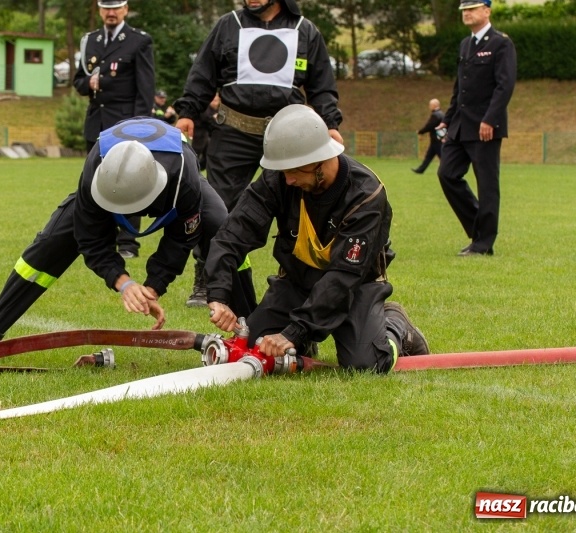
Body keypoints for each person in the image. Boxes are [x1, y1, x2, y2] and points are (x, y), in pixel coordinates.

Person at [0, 117, 256, 352]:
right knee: (47, 246)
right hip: (110, 179)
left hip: (178, 177)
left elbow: (180, 239)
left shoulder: (183, 179)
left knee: (224, 232)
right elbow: (91, 241)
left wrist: (153, 287)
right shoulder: (94, 172)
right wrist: (124, 283)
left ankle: (253, 329)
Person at [205, 104, 429, 373]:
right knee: (255, 347)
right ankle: (303, 343)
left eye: (295, 171)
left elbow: (344, 277)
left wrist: (294, 332)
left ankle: (397, 326)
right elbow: (233, 233)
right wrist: (218, 293)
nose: (287, 180)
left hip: (355, 287)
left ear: (321, 160)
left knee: (365, 364)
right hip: (297, 282)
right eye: (283, 171)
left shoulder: (366, 195)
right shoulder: (279, 178)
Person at [173, 0, 343, 307]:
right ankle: (207, 280)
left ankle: (292, 283)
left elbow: (322, 85)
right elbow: (203, 73)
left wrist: (331, 123)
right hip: (232, 132)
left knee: (291, 207)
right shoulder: (228, 25)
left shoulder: (305, 30)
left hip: (286, 136)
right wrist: (187, 112)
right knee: (216, 208)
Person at [73, 0, 155, 260]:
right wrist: (89, 82)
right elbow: (78, 81)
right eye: (106, 8)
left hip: (125, 123)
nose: (111, 13)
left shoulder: (138, 41)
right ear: (99, 10)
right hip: (97, 121)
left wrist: (140, 126)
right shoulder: (91, 41)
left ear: (125, 9)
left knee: (128, 180)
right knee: (95, 181)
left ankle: (128, 241)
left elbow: (146, 89)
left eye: (116, 7)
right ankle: (100, 238)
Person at [436, 0, 516, 256]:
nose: (467, 14)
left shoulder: (501, 43)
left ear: (487, 11)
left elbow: (505, 85)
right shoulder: (466, 44)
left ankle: (483, 244)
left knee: (487, 185)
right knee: (446, 173)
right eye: (464, 10)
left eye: (472, 9)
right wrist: (447, 120)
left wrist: (490, 119)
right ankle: (477, 228)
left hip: (485, 127)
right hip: (460, 125)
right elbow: (459, 88)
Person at [411, 98, 444, 174]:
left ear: (434, 105)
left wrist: (421, 131)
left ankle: (447, 169)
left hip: (436, 140)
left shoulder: (435, 115)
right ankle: (421, 169)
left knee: (442, 157)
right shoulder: (442, 114)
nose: (429, 106)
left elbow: (429, 126)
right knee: (429, 156)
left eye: (430, 105)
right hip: (438, 139)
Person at [191, 93, 220, 171]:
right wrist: (213, 117)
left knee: (208, 153)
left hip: (208, 134)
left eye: (216, 100)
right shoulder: (206, 108)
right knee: (196, 152)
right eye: (213, 100)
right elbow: (205, 118)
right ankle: (192, 169)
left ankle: (198, 169)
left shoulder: (217, 109)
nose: (215, 102)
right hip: (199, 132)